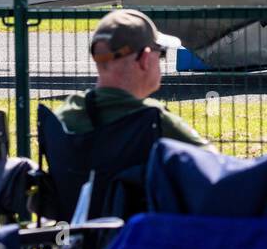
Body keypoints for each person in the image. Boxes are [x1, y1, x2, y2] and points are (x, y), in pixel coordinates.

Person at [58, 9, 208, 146]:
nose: (161, 60)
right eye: (161, 53)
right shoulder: (155, 120)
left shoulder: (64, 117)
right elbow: (214, 166)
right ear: (144, 59)